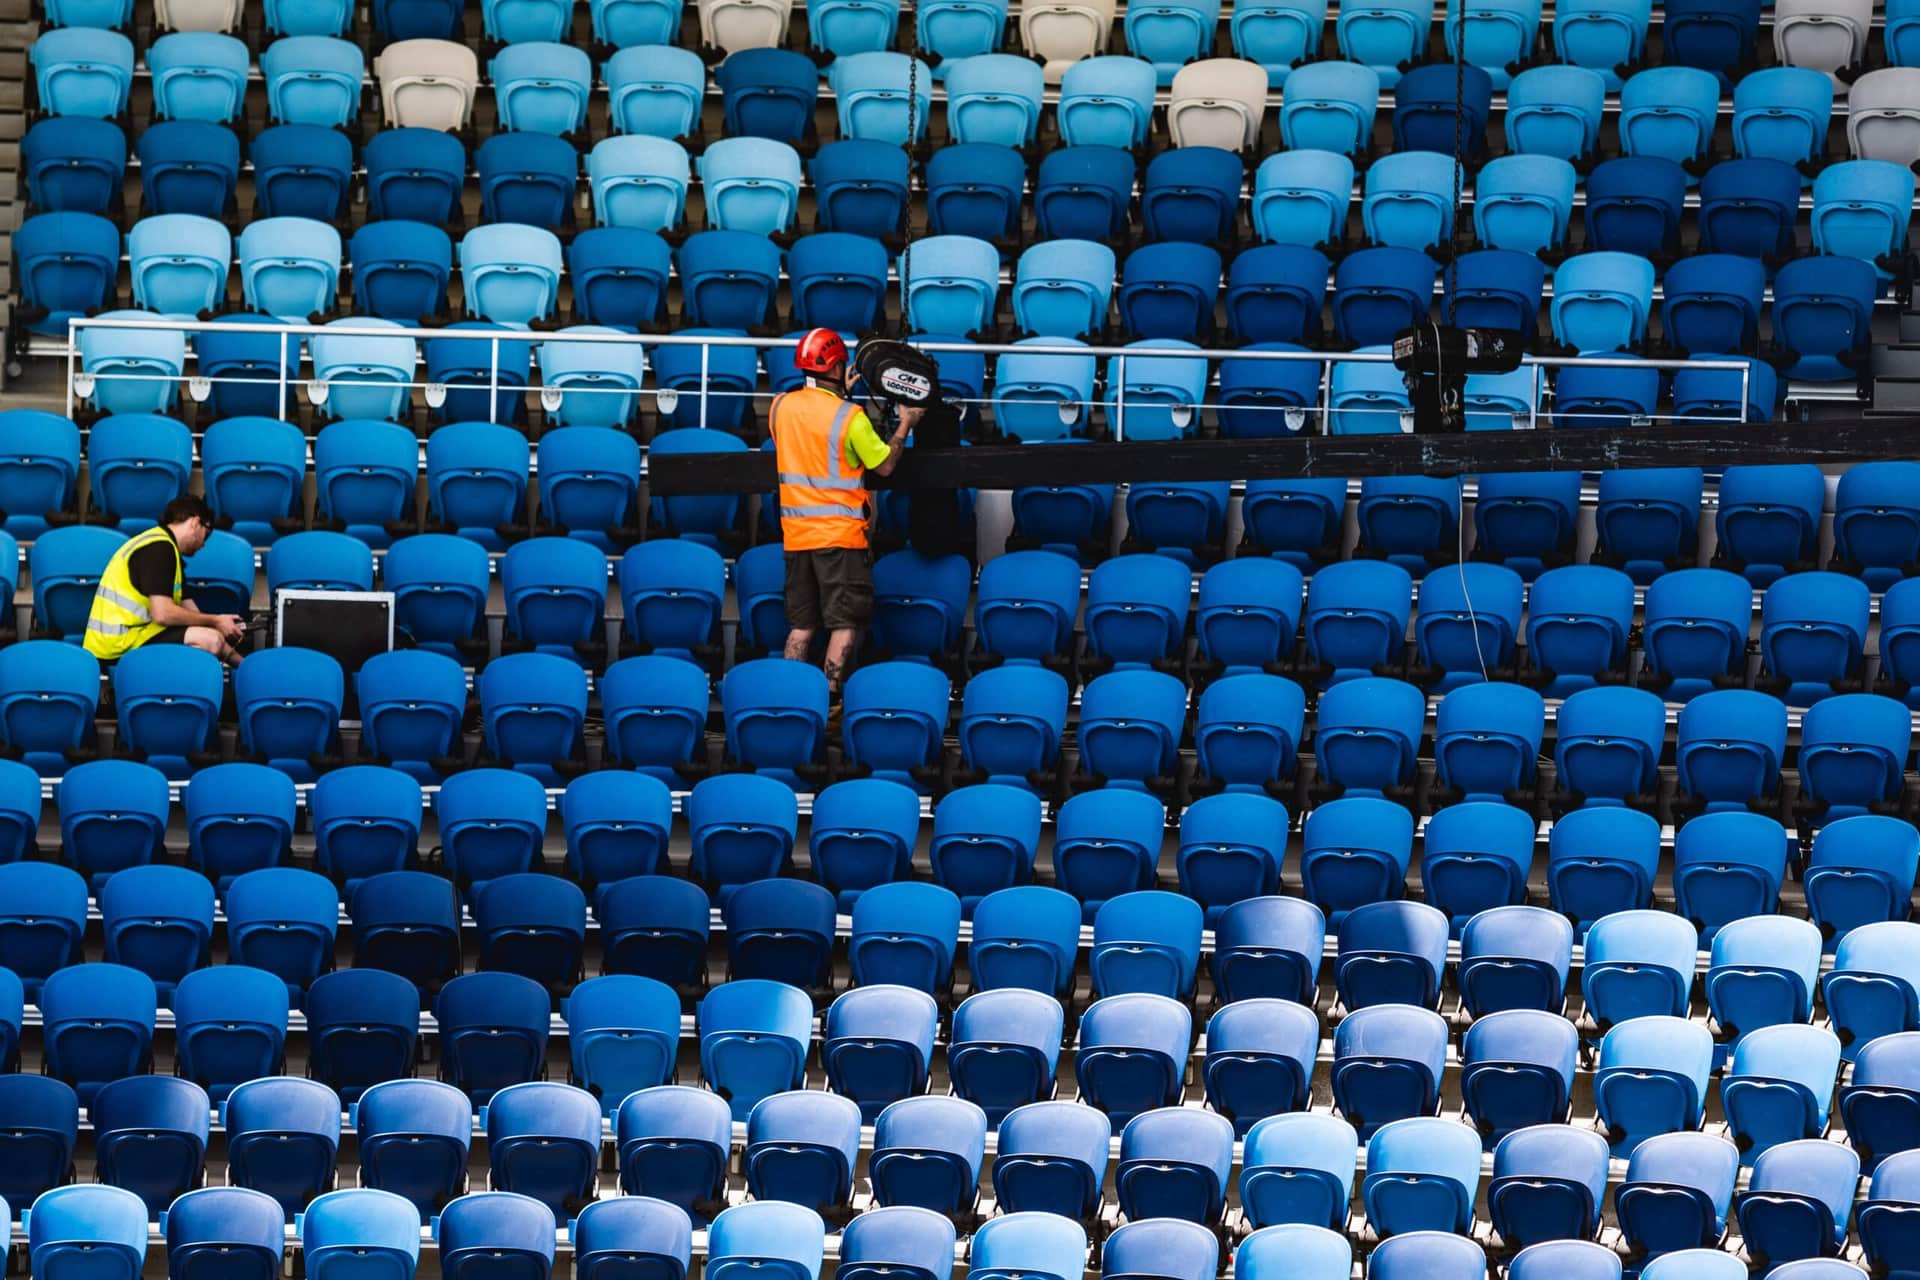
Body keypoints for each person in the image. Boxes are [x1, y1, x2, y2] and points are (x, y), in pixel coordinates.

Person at [771, 328, 921, 711]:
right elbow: (884, 464)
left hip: (796, 538)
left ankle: (790, 698)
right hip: (840, 539)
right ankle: (829, 701)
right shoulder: (850, 416)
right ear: (838, 366)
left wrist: (839, 395)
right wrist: (905, 423)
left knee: (801, 625)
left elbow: (812, 438)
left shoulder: (779, 408)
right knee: (843, 625)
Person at [83, 493, 246, 665]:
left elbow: (196, 617)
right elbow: (162, 614)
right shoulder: (159, 549)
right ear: (195, 523)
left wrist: (242, 662)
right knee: (209, 641)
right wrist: (216, 620)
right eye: (206, 535)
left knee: (211, 637)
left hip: (132, 638)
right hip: (117, 646)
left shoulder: (169, 552)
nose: (204, 544)